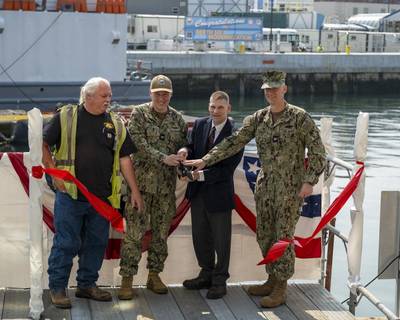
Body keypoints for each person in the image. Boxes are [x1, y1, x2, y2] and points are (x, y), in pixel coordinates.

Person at [185, 71, 326, 308]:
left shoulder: (300, 118)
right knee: (265, 235)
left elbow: (317, 151)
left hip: (290, 188)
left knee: (282, 237)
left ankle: (281, 287)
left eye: (275, 88)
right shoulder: (258, 118)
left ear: (284, 89)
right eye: (266, 90)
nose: (270, 93)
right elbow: (234, 142)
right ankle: (272, 279)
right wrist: (206, 160)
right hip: (265, 186)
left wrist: (309, 181)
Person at [42, 77, 144, 309]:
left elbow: (125, 158)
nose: (109, 100)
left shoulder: (116, 123)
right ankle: (57, 288)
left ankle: (87, 285)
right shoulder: (66, 116)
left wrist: (135, 192)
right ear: (88, 96)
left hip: (102, 199)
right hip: (71, 195)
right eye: (103, 96)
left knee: (96, 243)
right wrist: (54, 173)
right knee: (66, 243)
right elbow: (42, 143)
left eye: (109, 95)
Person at [118, 74, 188, 299]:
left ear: (170, 95)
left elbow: (184, 142)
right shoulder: (139, 113)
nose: (161, 98)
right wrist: (162, 157)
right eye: (158, 94)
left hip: (166, 189)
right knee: (134, 236)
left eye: (165, 94)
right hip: (140, 189)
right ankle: (127, 280)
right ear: (151, 94)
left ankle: (154, 275)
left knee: (160, 235)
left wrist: (183, 152)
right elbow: (137, 142)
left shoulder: (177, 119)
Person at [178, 91, 244, 299]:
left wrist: (200, 176)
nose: (215, 111)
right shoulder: (199, 124)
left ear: (228, 109)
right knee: (200, 236)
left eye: (220, 108)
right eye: (212, 107)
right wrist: (184, 151)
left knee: (221, 241)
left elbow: (227, 169)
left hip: (219, 194)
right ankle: (205, 273)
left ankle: (219, 280)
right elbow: (191, 146)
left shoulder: (235, 134)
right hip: (197, 194)